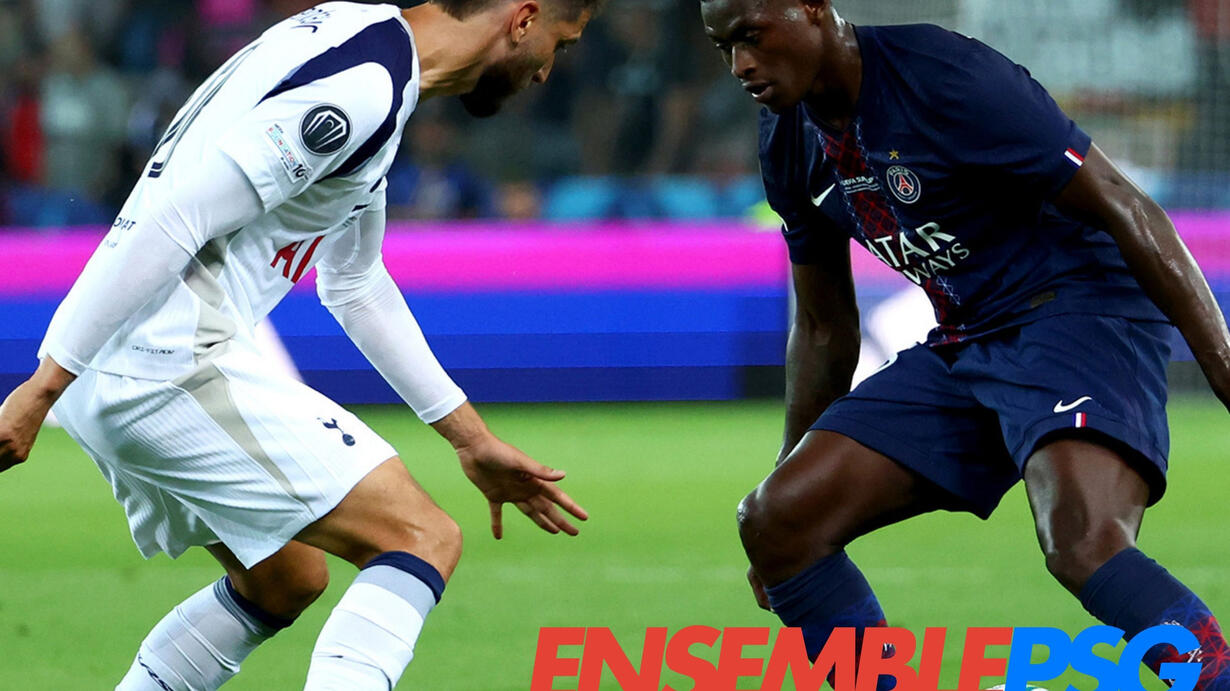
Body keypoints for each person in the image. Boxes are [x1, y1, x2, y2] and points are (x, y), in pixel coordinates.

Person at [0, 1, 599, 689]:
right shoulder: (365, 88)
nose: (548, 71)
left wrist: (469, 438)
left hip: (117, 355)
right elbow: (178, 213)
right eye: (561, 43)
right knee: (419, 536)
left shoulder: (359, 44)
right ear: (523, 19)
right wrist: (44, 386)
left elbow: (355, 284)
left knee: (283, 579)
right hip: (164, 363)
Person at [699, 0, 1230, 688]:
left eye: (751, 36)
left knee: (1083, 542)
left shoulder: (944, 75)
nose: (740, 65)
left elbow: (1127, 205)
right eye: (723, 47)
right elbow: (826, 325)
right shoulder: (788, 139)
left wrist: (1224, 369)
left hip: (1079, 313)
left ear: (812, 7)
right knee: (778, 521)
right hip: (967, 338)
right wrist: (789, 474)